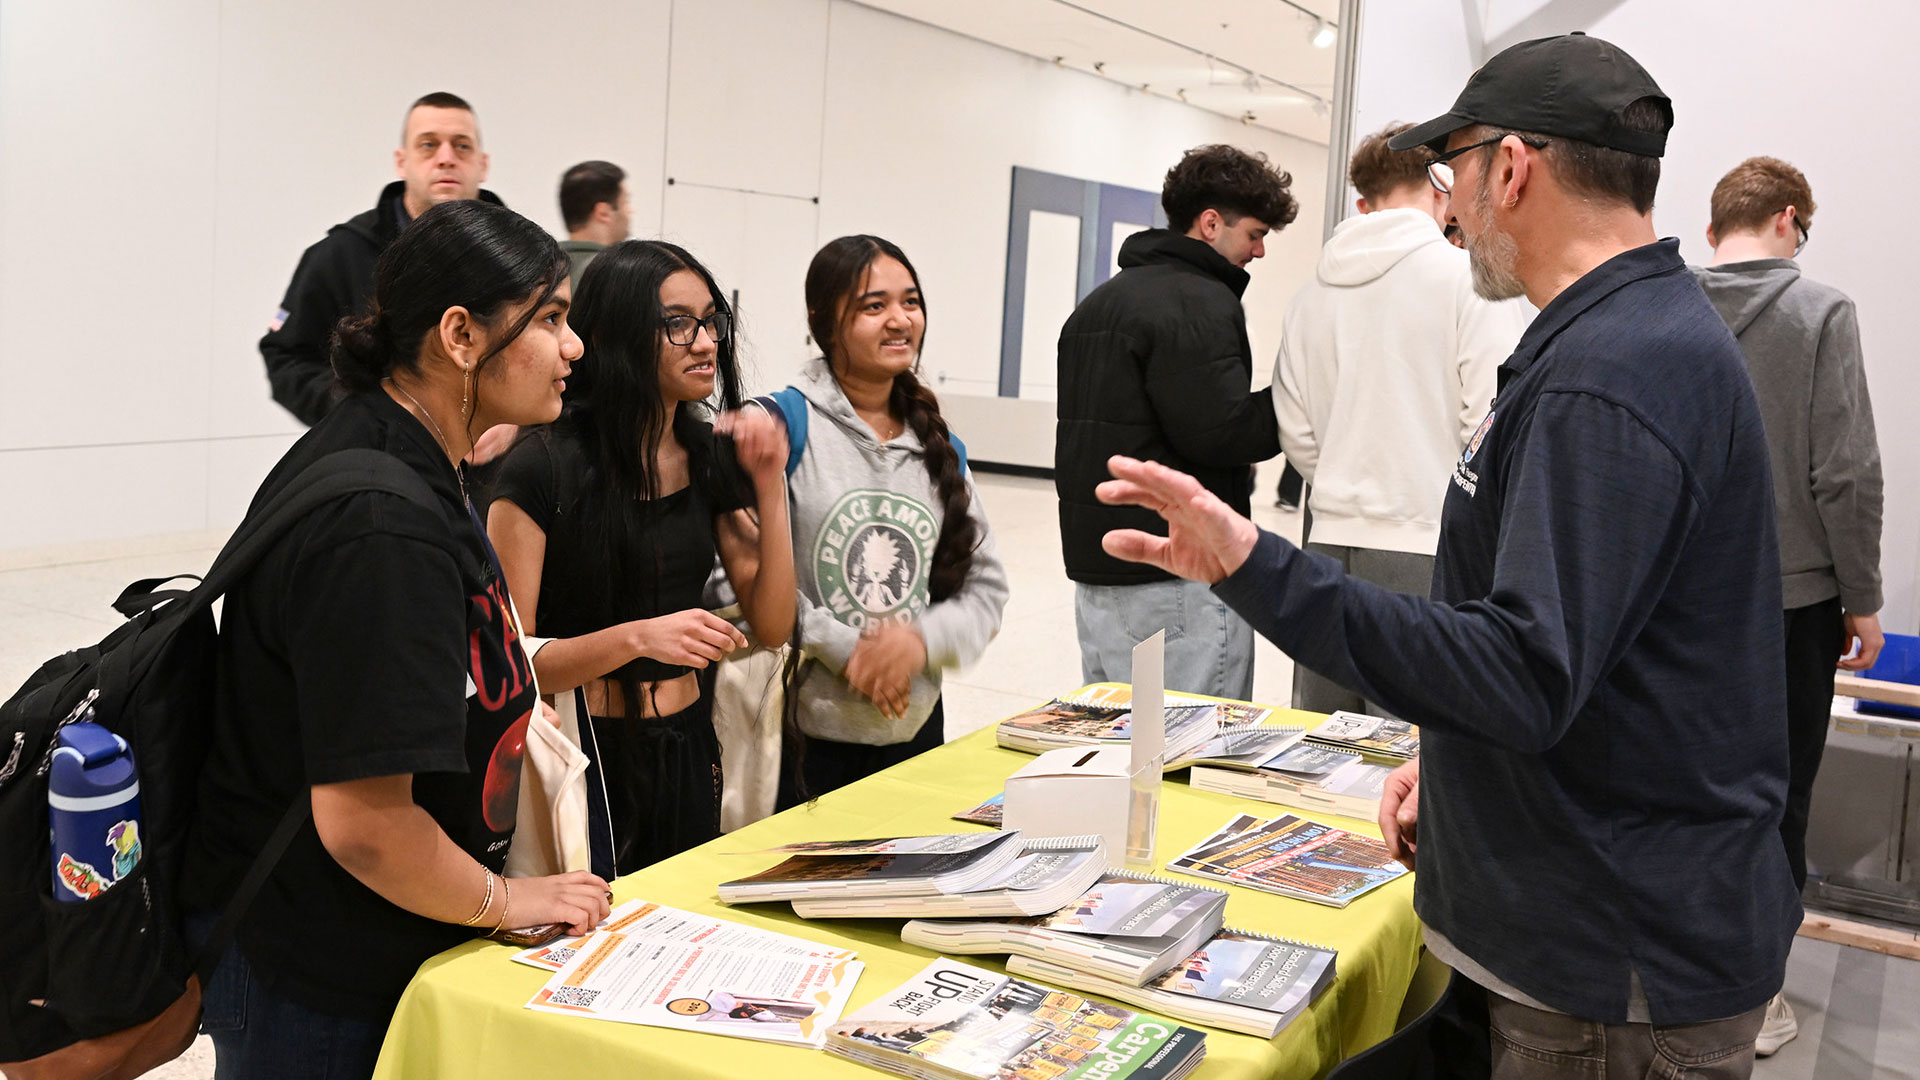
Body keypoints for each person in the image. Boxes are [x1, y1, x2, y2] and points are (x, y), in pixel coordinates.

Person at [1097, 34, 1797, 1078]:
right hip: (1577, 928)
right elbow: (1593, 647)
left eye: (1454, 173)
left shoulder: (1612, 373)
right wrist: (1456, 768)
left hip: (1610, 968)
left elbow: (1525, 670)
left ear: (1511, 168)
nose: (1453, 209)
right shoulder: (1606, 340)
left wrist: (1250, 561)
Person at [186, 200, 612, 1079]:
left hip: (362, 939)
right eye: (552, 320)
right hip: (320, 975)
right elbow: (366, 826)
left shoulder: (405, 449)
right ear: (461, 336)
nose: (573, 347)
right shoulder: (382, 529)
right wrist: (507, 899)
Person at [488, 240, 794, 877]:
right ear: (616, 335)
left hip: (687, 741)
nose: (706, 342)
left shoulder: (708, 455)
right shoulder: (544, 466)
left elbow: (772, 626)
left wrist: (771, 484)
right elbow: (510, 664)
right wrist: (637, 638)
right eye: (678, 325)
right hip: (584, 751)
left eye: (711, 321)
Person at [1697, 155, 1884, 1055]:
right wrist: (1864, 596)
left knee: (1682, 785)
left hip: (1675, 601)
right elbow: (1844, 470)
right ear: (1787, 219)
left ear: (1711, 230)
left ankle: (1679, 969)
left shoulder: (1666, 304)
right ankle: (1757, 991)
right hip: (1790, 603)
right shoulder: (1821, 312)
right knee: (1778, 799)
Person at [1274, 122, 1532, 716]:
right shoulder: (1469, 281)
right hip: (1430, 544)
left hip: (1326, 544)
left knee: (1322, 750)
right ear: (1442, 184)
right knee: (1415, 760)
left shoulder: (1309, 294)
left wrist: (1347, 480)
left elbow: (1295, 429)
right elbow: (1494, 420)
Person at [764, 235, 1008, 800]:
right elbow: (729, 582)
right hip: (796, 741)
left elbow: (987, 589)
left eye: (911, 301)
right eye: (874, 306)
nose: (900, 320)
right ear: (823, 320)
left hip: (915, 729)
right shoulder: (780, 428)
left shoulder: (939, 443)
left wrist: (917, 643)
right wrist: (851, 651)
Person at [1056, 144, 1297, 700]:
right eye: (1255, 234)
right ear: (1211, 223)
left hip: (1099, 573)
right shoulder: (1199, 300)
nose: (1259, 252)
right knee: (1192, 758)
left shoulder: (1098, 304)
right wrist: (1298, 392)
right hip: (1176, 577)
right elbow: (1223, 433)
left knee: (1122, 753)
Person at [260, 92, 499, 427]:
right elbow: (287, 358)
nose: (446, 158)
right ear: (402, 161)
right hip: (381, 463)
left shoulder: (524, 259)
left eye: (462, 146)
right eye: (428, 145)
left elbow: (561, 359)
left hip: (499, 470)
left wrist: (513, 425)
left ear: (483, 164)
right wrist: (365, 417)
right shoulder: (341, 255)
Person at [557, 160, 632, 291]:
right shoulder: (621, 276)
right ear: (603, 212)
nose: (631, 211)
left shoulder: (540, 269)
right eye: (625, 202)